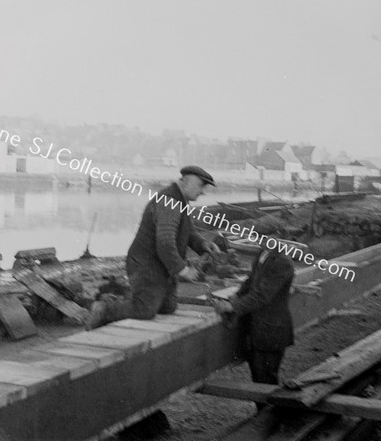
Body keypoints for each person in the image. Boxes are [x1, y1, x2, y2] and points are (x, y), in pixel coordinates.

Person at [84, 165, 220, 330]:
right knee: (145, 310)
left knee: (167, 307)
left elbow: (189, 231)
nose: (203, 191)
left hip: (161, 265)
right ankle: (104, 309)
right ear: (184, 182)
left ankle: (124, 300)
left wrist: (203, 245)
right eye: (201, 185)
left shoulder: (180, 201)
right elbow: (165, 242)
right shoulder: (170, 202)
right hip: (145, 264)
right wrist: (183, 270)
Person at [213, 230, 295, 398]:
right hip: (258, 329)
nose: (260, 240)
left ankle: (271, 418)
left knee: (267, 380)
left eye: (266, 237)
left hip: (272, 331)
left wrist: (233, 306)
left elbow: (262, 295)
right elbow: (251, 280)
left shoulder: (282, 262)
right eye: (258, 236)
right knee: (258, 378)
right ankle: (266, 415)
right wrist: (237, 294)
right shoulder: (262, 254)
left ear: (277, 236)